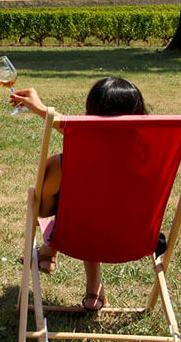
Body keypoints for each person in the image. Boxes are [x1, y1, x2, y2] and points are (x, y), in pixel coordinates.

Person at [10, 76, 148, 312]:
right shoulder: (151, 154)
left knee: (88, 209)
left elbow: (42, 208)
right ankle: (92, 293)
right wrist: (42, 110)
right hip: (138, 238)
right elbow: (93, 133)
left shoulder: (63, 165)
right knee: (98, 208)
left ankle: (48, 250)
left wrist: (41, 109)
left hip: (78, 234)